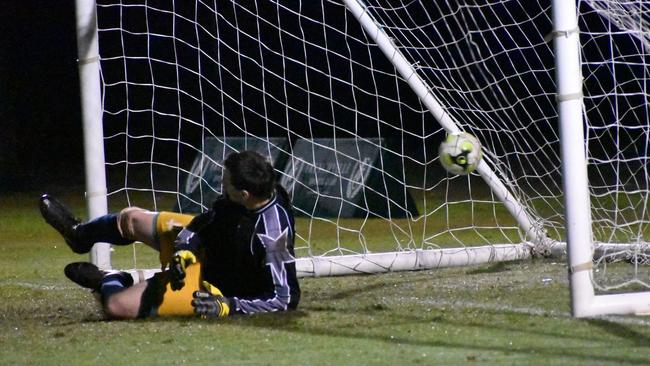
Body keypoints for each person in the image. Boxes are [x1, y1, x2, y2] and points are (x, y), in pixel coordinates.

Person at [40, 150, 300, 319]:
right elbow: (205, 222)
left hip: (216, 286)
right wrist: (185, 247)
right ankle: (79, 234)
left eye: (226, 182)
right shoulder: (245, 197)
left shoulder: (274, 234)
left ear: (244, 194)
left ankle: (107, 279)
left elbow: (285, 299)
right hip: (207, 252)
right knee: (132, 218)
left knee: (117, 306)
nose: (222, 184)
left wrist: (228, 305)